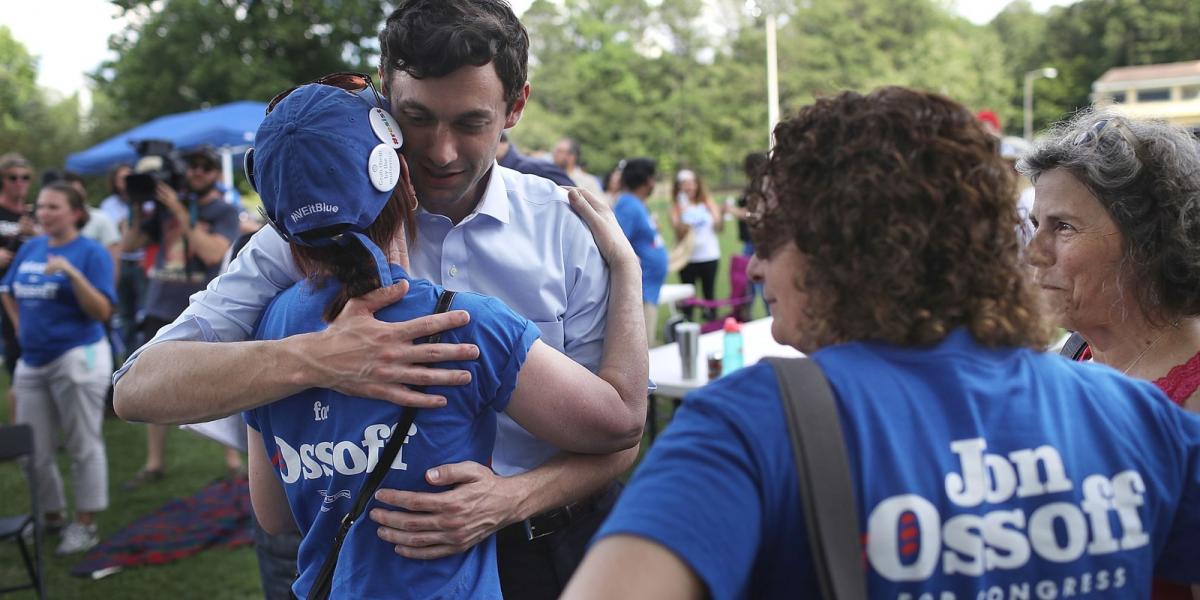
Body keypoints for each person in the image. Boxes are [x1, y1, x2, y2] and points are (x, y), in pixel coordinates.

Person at [562, 87, 1200, 599]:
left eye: (773, 235)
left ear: (844, 248)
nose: (755, 268)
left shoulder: (750, 426)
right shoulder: (1133, 414)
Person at [113, 2, 648, 597]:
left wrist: (508, 500)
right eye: (417, 117)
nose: (442, 152)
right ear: (384, 107)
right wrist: (318, 358)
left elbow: (620, 434)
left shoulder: (567, 227)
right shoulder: (304, 233)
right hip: (375, 558)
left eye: (471, 123)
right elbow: (137, 387)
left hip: (550, 548)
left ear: (515, 109)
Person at [244, 81, 641, 599]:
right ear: (398, 176)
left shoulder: (265, 338)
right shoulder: (462, 324)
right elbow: (623, 422)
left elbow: (273, 514)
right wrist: (627, 270)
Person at [1021, 113, 1200, 600]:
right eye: (1036, 224)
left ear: (1148, 244)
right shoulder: (1073, 358)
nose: (1034, 252)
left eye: (1062, 227)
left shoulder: (1193, 400)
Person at [0, 182, 114, 555]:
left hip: (77, 355)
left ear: (75, 213)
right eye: (42, 207)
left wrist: (72, 274)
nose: (43, 213)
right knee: (32, 449)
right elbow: (8, 289)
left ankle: (85, 523)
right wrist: (21, 328)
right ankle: (50, 516)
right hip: (32, 360)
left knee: (83, 442)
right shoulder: (31, 247)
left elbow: (102, 312)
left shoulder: (89, 252)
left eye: (53, 207)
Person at [121, 145, 244, 488]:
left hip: (204, 308)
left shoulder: (224, 211)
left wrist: (178, 210)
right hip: (160, 305)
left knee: (219, 379)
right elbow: (129, 242)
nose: (198, 173)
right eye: (193, 167)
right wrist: (137, 205)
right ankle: (154, 462)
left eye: (206, 167)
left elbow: (213, 252)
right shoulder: (161, 212)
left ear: (216, 174)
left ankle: (232, 458)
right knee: (152, 384)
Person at [613, 158, 669, 345]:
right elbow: (616, 242)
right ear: (647, 181)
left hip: (648, 290)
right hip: (639, 293)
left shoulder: (636, 203)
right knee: (642, 350)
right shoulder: (628, 205)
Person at [0, 153, 37, 421]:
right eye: (13, 177)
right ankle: (17, 428)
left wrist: (33, 233)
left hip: (22, 294)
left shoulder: (33, 213)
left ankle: (30, 425)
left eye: (25, 178)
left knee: (23, 354)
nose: (19, 183)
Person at [100, 164, 147, 354]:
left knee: (146, 311)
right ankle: (130, 355)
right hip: (121, 263)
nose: (127, 183)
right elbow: (120, 237)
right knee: (126, 314)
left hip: (143, 263)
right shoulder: (109, 205)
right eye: (122, 179)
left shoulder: (147, 200)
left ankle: (147, 352)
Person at [669, 169, 722, 322]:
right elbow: (679, 233)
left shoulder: (707, 202)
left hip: (709, 256)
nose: (690, 187)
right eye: (685, 184)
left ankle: (712, 325)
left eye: (692, 183)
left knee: (709, 294)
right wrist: (684, 212)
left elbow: (719, 226)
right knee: (688, 298)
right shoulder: (676, 207)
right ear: (678, 187)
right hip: (688, 259)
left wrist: (717, 212)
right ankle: (688, 328)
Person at [726, 152, 769, 318]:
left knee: (761, 284)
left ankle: (768, 318)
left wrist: (732, 210)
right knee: (745, 287)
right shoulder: (751, 186)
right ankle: (746, 318)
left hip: (756, 243)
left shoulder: (760, 187)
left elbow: (754, 213)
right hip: (749, 242)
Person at [497, 131, 575, 186]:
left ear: (502, 142)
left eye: (560, 151)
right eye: (556, 150)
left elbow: (574, 191)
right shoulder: (502, 167)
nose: (555, 154)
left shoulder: (531, 166)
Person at [553, 137, 607, 202]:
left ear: (572, 156)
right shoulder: (547, 175)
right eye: (555, 151)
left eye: (560, 151)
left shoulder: (588, 182)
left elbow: (600, 204)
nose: (555, 154)